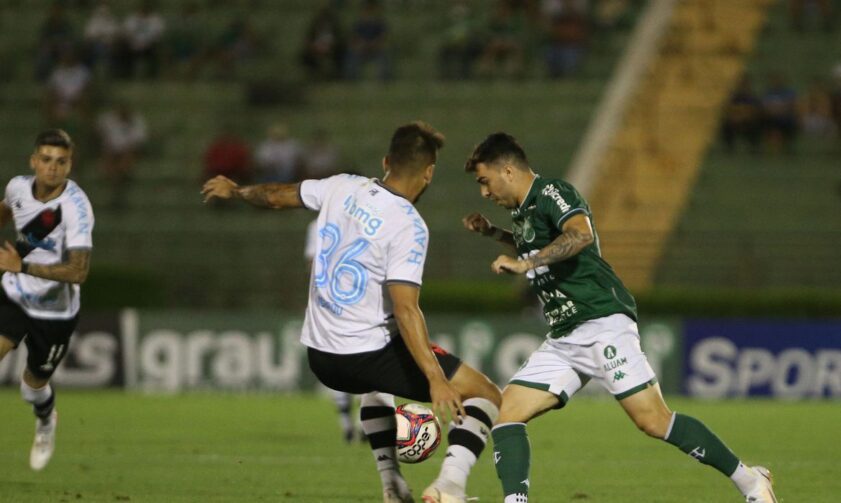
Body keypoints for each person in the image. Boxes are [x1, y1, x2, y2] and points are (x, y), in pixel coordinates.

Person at [461, 132, 777, 503]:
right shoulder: (522, 211)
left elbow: (579, 235)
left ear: (509, 170)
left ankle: (751, 482)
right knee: (506, 413)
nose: (484, 192)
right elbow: (535, 242)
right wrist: (494, 233)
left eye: (484, 181)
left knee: (654, 421)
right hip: (565, 335)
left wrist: (526, 263)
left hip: (601, 322)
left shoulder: (551, 193)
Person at [203, 122, 502, 503]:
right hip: (365, 355)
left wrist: (236, 190)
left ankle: (392, 482)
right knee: (485, 394)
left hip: (322, 357)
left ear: (386, 161)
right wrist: (435, 379)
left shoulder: (342, 185)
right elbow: (406, 308)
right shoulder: (409, 225)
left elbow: (276, 196)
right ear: (429, 173)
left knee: (376, 383)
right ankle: (449, 487)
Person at [0, 129, 95, 471]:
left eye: (61, 162)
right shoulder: (17, 187)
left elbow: (79, 271)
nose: (52, 168)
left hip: (54, 312)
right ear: (33, 161)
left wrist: (21, 263)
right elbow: (7, 209)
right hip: (13, 294)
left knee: (32, 387)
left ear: (70, 165)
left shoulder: (76, 208)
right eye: (46, 160)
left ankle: (45, 421)